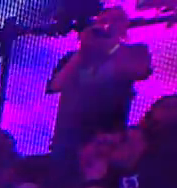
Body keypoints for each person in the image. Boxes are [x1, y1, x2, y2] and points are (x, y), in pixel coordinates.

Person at [48, 7, 152, 164]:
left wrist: (111, 45)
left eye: (115, 20)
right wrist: (83, 50)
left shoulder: (135, 52)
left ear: (125, 25)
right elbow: (56, 85)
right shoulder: (74, 58)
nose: (108, 25)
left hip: (107, 139)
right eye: (103, 21)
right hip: (70, 136)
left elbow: (140, 70)